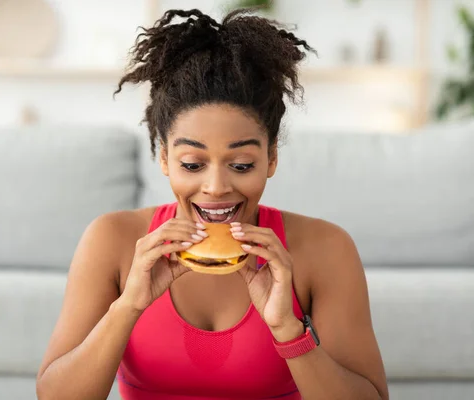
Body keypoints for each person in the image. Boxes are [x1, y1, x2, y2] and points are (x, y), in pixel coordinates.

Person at [36, 8, 388, 400]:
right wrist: (128, 307)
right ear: (165, 159)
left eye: (241, 165)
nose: (217, 187)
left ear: (271, 159)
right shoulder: (111, 240)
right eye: (192, 164)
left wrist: (290, 331)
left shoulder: (326, 248)